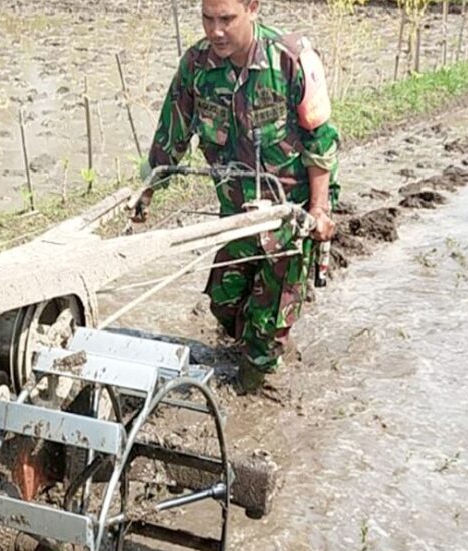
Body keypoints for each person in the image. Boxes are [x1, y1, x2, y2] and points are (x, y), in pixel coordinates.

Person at [133, 0, 340, 394]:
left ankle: (254, 384)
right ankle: (261, 341)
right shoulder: (196, 66)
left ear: (252, 8)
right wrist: (146, 191)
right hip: (236, 214)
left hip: (288, 217)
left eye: (226, 19)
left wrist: (319, 209)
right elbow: (170, 137)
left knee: (263, 333)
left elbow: (321, 142)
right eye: (207, 19)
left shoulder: (290, 61)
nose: (216, 31)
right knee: (224, 305)